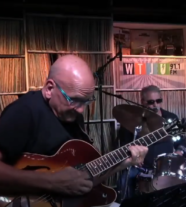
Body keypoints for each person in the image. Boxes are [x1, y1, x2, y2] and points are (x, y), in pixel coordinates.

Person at [0, 55, 148, 197]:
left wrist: (123, 164)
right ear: (50, 88)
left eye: (86, 101)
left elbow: (82, 179)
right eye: (74, 100)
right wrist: (51, 182)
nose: (81, 109)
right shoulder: (24, 112)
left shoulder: (73, 116)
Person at [116, 85, 186, 202]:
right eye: (151, 102)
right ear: (142, 101)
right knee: (124, 179)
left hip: (166, 166)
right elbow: (125, 146)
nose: (155, 105)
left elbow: (182, 142)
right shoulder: (131, 121)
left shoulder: (170, 118)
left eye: (158, 101)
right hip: (141, 167)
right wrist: (134, 157)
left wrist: (180, 151)